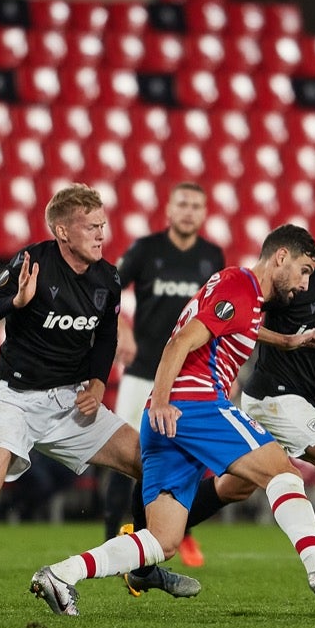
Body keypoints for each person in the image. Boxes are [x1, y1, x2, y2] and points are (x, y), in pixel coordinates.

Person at [27, 224, 315, 617]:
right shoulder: (240, 286)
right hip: (193, 403)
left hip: (168, 420)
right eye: (304, 270)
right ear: (281, 257)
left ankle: (62, 574)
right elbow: (179, 342)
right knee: (283, 473)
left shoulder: (244, 295)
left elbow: (235, 327)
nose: (305, 284)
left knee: (162, 541)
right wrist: (164, 401)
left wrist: (286, 341)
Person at [0, 183, 200, 615]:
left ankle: (142, 567)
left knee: (150, 461)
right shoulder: (32, 262)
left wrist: (96, 381)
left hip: (71, 402)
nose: (101, 234)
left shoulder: (107, 279)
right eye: (91, 226)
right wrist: (14, 301)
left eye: (103, 225)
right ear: (62, 231)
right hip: (14, 398)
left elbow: (106, 337)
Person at [127, 214, 315, 595]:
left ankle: (154, 538)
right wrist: (283, 342)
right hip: (274, 395)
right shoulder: (297, 285)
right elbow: (244, 314)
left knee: (233, 488)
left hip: (296, 397)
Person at [106, 181, 225, 569]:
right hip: (143, 372)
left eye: (196, 205)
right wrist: (122, 328)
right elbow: (109, 290)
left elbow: (221, 318)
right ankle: (113, 535)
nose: (189, 211)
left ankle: (178, 532)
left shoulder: (212, 257)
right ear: (169, 210)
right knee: (128, 454)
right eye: (183, 204)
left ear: (204, 213)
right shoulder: (147, 250)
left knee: (188, 458)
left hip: (190, 380)